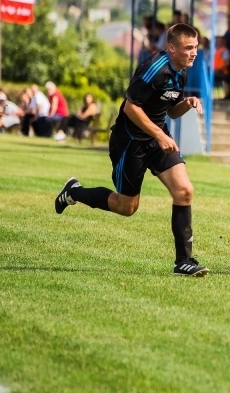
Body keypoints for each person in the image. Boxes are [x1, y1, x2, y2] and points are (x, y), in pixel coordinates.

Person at [53, 23, 209, 277]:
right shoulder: (154, 68)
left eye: (195, 47)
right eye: (188, 47)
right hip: (130, 142)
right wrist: (159, 135)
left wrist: (187, 103)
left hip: (157, 138)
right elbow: (130, 107)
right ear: (171, 48)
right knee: (126, 207)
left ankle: (183, 262)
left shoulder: (181, 71)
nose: (194, 53)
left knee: (184, 191)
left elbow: (170, 111)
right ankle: (74, 192)